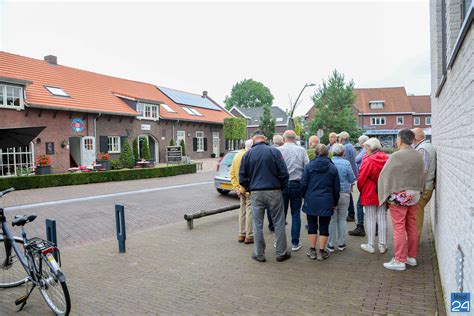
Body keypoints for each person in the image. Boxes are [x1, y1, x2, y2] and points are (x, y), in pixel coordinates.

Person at [239, 130, 291, 263]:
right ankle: (281, 253)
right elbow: (284, 173)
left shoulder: (248, 154)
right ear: (265, 138)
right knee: (278, 222)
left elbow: (242, 178)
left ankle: (259, 254)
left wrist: (250, 188)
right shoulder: (274, 152)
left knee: (257, 224)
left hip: (256, 192)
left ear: (253, 138)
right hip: (274, 190)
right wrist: (281, 187)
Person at [378, 129, 425, 271]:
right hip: (415, 195)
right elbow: (422, 174)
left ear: (400, 140)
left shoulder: (396, 156)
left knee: (398, 227)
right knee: (411, 225)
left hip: (399, 196)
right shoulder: (418, 155)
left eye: (397, 139)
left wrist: (384, 192)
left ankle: (399, 260)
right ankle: (411, 257)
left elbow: (385, 175)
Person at [301, 144, 340, 261]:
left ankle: (312, 250)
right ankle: (321, 252)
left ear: (315, 153)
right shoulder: (333, 168)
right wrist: (335, 202)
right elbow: (336, 188)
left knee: (312, 225)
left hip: (311, 200)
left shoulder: (309, 166)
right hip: (326, 200)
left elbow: (303, 183)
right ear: (327, 153)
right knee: (324, 226)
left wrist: (305, 196)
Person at [278, 130, 310, 251]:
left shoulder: (278, 150)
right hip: (297, 183)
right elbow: (307, 167)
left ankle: (279, 241)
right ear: (295, 138)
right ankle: (295, 242)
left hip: (283, 184)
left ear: (284, 138)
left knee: (281, 214)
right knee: (296, 213)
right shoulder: (301, 150)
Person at [357, 138, 389, 254]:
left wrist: (360, 189)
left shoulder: (368, 160)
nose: (365, 151)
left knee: (370, 218)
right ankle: (382, 245)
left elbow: (361, 178)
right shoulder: (388, 158)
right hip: (383, 191)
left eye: (366, 148)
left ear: (371, 148)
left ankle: (370, 245)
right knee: (382, 217)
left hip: (370, 191)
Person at [328, 143, 355, 252]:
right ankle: (341, 243)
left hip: (331, 194)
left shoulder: (329, 163)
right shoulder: (346, 163)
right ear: (343, 152)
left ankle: (330, 244)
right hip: (344, 193)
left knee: (332, 219)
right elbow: (352, 178)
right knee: (342, 219)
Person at [412, 128, 436, 243]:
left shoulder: (422, 149)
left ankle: (414, 242)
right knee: (418, 213)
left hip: (423, 187)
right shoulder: (427, 146)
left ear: (415, 138)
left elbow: (423, 170)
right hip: (427, 186)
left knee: (417, 215)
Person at [230, 139, 254, 244]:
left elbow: (232, 173)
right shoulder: (250, 156)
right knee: (249, 211)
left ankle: (241, 234)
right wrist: (243, 189)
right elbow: (248, 175)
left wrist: (237, 188)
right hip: (248, 189)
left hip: (240, 189)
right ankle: (249, 236)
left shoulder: (237, 155)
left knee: (242, 211)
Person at [349, 135, 369, 237]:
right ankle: (376, 228)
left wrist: (359, 185)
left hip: (366, 185)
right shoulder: (380, 155)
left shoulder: (366, 153)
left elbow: (357, 160)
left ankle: (360, 227)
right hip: (374, 186)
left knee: (360, 205)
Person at [338, 131, 358, 222]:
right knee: (348, 193)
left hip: (347, 174)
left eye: (339, 138)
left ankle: (351, 214)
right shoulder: (352, 146)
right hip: (353, 172)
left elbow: (344, 162)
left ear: (342, 139)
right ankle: (351, 213)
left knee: (347, 194)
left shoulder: (345, 147)